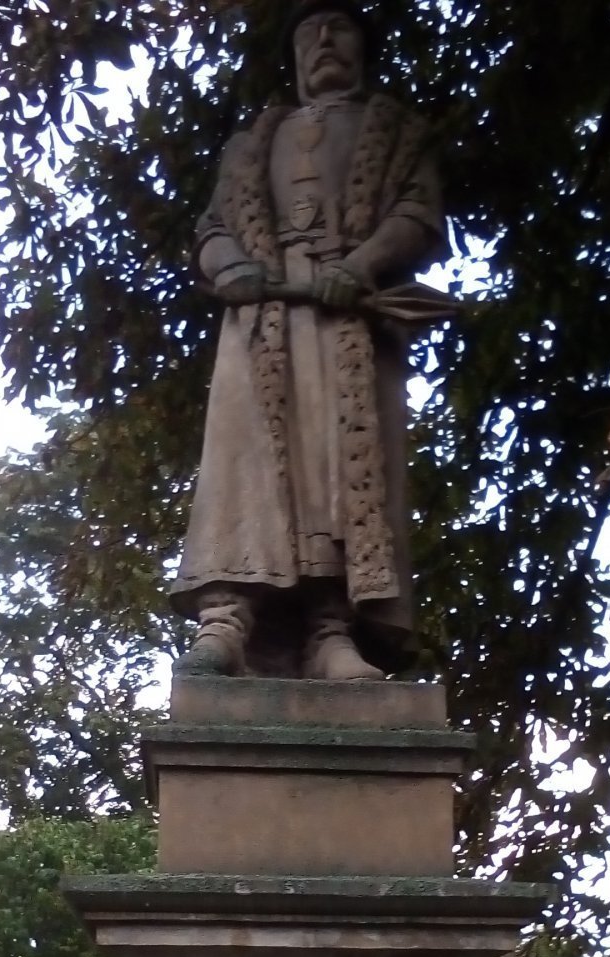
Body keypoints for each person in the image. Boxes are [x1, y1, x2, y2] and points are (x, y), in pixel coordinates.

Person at [172, 1, 445, 680]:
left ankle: (330, 631)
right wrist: (230, 266)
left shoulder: (395, 133)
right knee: (246, 464)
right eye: (309, 32)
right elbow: (211, 229)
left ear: (363, 47)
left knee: (337, 471)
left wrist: (359, 266)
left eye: (340, 27)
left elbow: (417, 213)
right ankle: (226, 619)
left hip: (345, 321)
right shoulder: (251, 143)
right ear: (294, 56)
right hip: (259, 320)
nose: (324, 40)